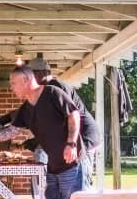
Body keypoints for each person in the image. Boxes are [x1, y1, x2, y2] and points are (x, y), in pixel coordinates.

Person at [0, 66, 82, 199]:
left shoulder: (52, 93)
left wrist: (71, 144)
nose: (11, 87)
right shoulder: (25, 109)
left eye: (13, 83)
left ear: (26, 80)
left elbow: (74, 114)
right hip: (53, 165)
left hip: (72, 162)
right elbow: (10, 132)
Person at [29, 56, 100, 190]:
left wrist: (71, 143)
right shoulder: (45, 91)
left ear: (43, 73)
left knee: (78, 184)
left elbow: (71, 116)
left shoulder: (57, 87)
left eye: (31, 75)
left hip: (84, 137)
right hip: (74, 139)